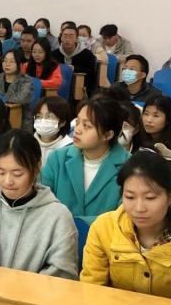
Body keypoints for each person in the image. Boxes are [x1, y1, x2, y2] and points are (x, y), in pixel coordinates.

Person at [81, 150, 171, 304]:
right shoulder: (103, 228)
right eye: (130, 197)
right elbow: (91, 292)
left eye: (150, 198)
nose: (139, 208)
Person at [40, 95, 129, 223]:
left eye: (86, 126)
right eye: (77, 122)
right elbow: (42, 203)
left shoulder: (129, 167)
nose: (77, 130)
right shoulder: (57, 159)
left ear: (108, 135)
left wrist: (80, 224)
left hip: (105, 235)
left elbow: (124, 216)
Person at [0, 50, 35, 129]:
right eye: (5, 61)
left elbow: (21, 98)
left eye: (12, 61)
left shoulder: (26, 81)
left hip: (20, 119)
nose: (7, 64)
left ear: (20, 65)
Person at [31, 95, 74, 166]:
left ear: (62, 122)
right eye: (39, 116)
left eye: (49, 116)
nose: (43, 120)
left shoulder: (70, 149)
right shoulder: (28, 144)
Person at [55, 25, 98, 94]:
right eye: (65, 36)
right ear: (61, 38)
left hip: (81, 90)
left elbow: (90, 78)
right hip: (58, 89)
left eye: (71, 36)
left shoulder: (87, 55)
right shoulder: (54, 54)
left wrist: (73, 69)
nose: (67, 39)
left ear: (77, 39)